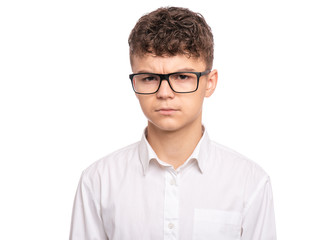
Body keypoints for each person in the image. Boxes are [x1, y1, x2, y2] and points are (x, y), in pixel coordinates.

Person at [70, 6, 276, 240]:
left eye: (182, 77)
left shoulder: (250, 182)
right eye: (149, 78)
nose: (165, 93)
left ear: (210, 82)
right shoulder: (98, 182)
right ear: (135, 84)